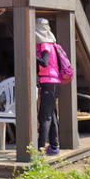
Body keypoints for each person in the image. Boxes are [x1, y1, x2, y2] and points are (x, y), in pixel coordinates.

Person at [35, 18, 66, 156]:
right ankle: (54, 147)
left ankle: (39, 149)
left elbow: (44, 62)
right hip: (54, 82)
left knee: (44, 117)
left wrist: (30, 54)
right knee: (52, 115)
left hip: (48, 82)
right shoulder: (51, 44)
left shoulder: (45, 46)